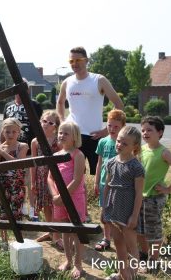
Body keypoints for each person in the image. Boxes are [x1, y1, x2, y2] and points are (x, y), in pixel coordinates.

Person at [57, 47, 124, 222]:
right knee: (74, 178)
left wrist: (106, 130)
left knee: (104, 179)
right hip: (74, 137)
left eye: (78, 60)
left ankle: (110, 217)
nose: (75, 64)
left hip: (95, 137)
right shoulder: (67, 82)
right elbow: (60, 102)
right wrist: (63, 121)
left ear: (86, 61)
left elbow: (118, 104)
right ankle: (82, 214)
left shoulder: (98, 80)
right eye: (71, 61)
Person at [137, 116, 171, 264]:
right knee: (139, 230)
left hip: (153, 198)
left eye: (149, 130)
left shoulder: (164, 152)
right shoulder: (141, 149)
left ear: (160, 132)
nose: (145, 133)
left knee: (153, 231)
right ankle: (144, 255)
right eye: (143, 130)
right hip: (139, 197)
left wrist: (168, 189)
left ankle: (154, 259)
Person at [101, 126, 144, 280]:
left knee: (131, 245)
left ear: (135, 147)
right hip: (113, 208)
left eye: (125, 143)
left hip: (128, 211)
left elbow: (139, 193)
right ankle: (122, 274)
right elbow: (107, 186)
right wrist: (104, 208)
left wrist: (134, 215)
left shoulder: (136, 167)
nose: (119, 145)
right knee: (118, 242)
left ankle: (132, 276)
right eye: (118, 141)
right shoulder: (111, 162)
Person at [47, 121, 87, 279]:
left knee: (76, 232)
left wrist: (62, 196)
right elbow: (50, 178)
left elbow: (77, 180)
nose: (61, 135)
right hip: (58, 198)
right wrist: (54, 196)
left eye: (66, 133)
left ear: (75, 137)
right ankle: (68, 260)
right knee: (64, 230)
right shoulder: (55, 156)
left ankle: (78, 264)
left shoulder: (78, 155)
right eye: (60, 132)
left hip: (74, 198)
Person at [94, 109, 126, 251]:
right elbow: (99, 163)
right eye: (109, 125)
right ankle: (106, 238)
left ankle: (121, 240)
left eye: (116, 127)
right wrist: (96, 182)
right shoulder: (102, 141)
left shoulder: (124, 143)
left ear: (122, 127)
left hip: (119, 184)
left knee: (119, 213)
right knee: (105, 211)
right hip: (103, 183)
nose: (112, 129)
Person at [0, 118, 29, 244]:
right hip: (3, 184)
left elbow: (17, 164)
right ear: (3, 132)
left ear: (19, 132)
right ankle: (4, 241)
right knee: (2, 211)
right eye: (7, 132)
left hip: (17, 185)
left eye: (14, 132)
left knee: (17, 213)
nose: (10, 135)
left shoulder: (23, 146)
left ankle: (19, 240)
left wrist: (2, 152)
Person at [30, 110, 61, 243]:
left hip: (54, 178)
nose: (46, 124)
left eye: (50, 123)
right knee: (46, 206)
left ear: (56, 126)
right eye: (44, 121)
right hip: (41, 178)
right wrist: (32, 182)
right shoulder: (35, 141)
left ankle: (57, 235)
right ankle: (50, 232)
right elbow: (33, 163)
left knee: (56, 205)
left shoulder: (59, 141)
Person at [2, 78, 43, 149]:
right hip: (10, 148)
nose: (19, 92)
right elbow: (4, 127)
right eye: (16, 89)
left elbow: (41, 126)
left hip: (29, 147)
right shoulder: (7, 105)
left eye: (22, 89)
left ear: (28, 90)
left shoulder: (35, 105)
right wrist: (1, 144)